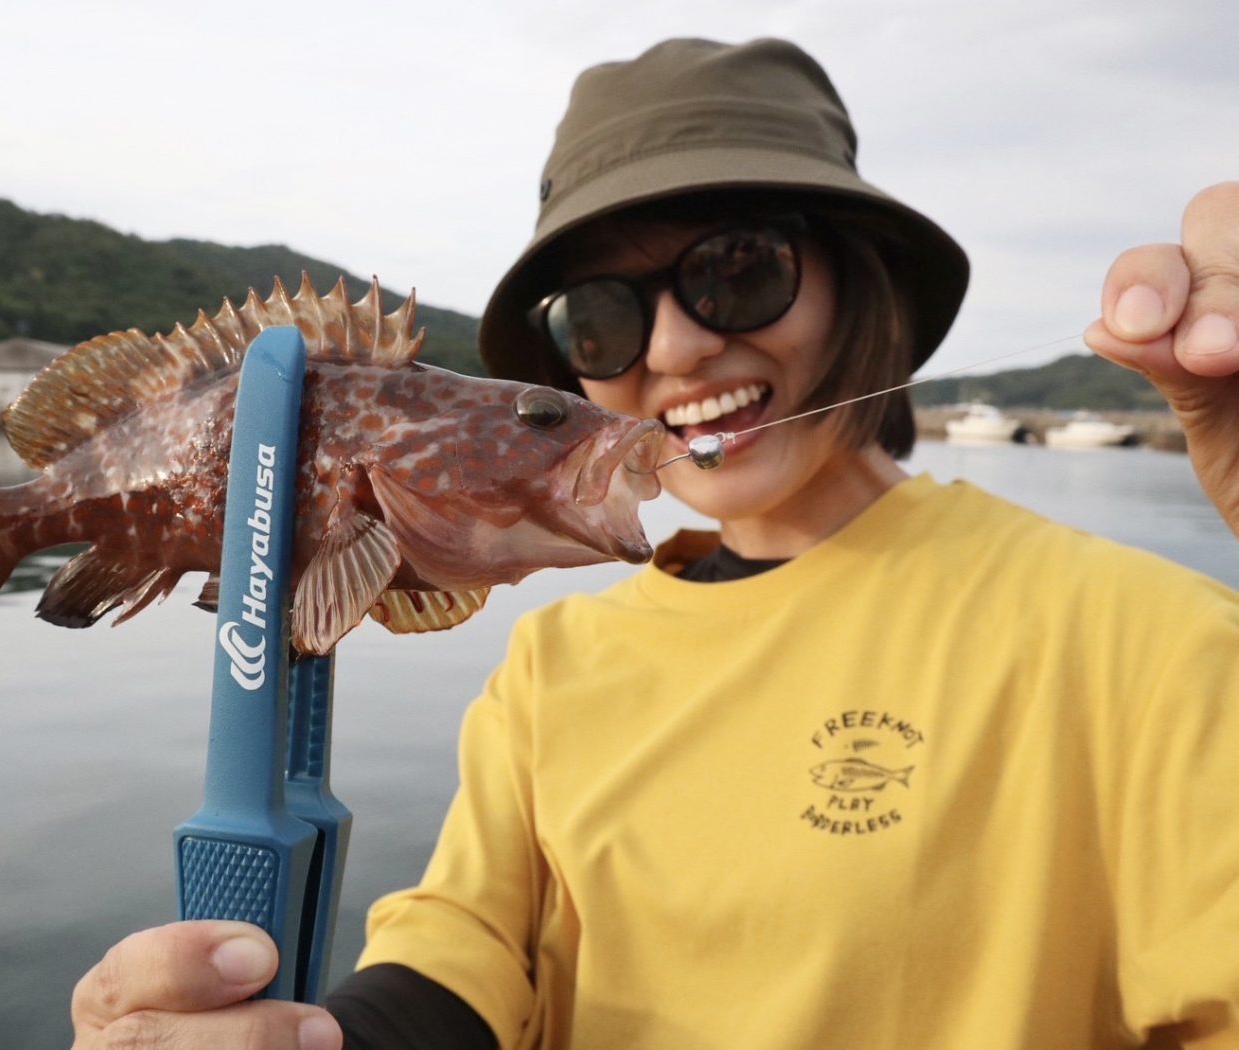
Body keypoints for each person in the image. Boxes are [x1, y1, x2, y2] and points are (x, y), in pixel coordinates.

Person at [70, 38, 1239, 1050]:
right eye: (602, 313)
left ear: (853, 282)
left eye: (737, 270)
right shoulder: (552, 666)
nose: (673, 350)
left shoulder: (1154, 641)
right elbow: (468, 953)